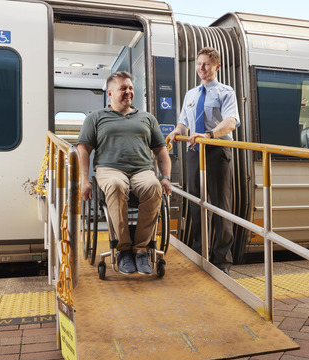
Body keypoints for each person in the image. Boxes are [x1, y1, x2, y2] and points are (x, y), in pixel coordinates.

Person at [77, 71, 172, 275]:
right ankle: (123, 250)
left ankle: (141, 250)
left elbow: (161, 149)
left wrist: (166, 178)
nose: (128, 92)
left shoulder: (147, 118)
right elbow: (83, 148)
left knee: (154, 187)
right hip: (109, 169)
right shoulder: (95, 118)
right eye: (123, 88)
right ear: (110, 93)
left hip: (142, 170)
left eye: (130, 88)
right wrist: (84, 180)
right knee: (117, 186)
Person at [168, 47, 240, 274]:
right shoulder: (191, 94)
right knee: (196, 204)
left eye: (207, 64)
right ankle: (201, 253)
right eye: (199, 64)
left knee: (220, 206)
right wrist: (175, 131)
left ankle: (222, 261)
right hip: (194, 152)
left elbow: (231, 122)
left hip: (216, 151)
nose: (201, 68)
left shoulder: (225, 92)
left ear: (216, 67)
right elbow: (183, 123)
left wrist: (209, 136)